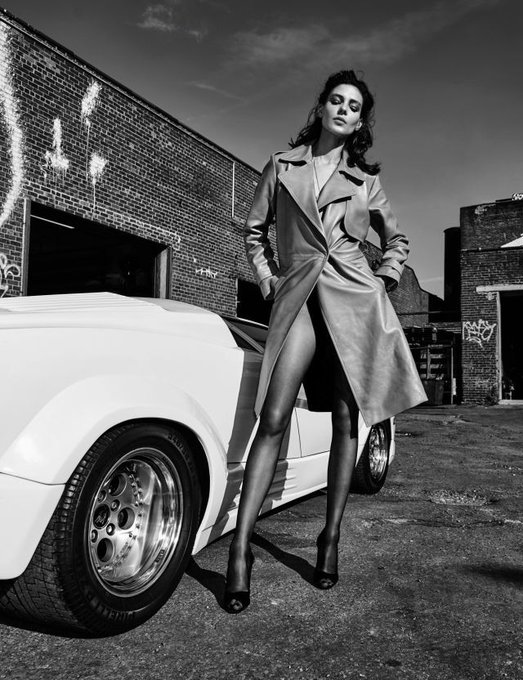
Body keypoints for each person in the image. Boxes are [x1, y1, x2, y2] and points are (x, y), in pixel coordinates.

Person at [224, 69, 427, 613]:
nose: (343, 110)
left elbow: (397, 238)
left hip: (352, 299)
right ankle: (240, 549)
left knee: (345, 420)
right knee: (273, 417)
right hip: (297, 295)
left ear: (360, 122)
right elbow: (254, 232)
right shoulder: (281, 165)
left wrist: (383, 279)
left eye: (354, 106)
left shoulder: (365, 181)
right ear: (321, 107)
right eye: (336, 100)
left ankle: (330, 538)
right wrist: (269, 280)